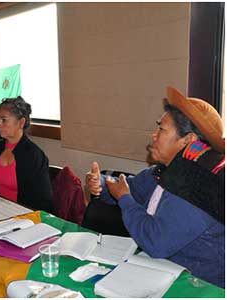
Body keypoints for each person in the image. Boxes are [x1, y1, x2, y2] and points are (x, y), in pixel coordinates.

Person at [85, 86, 224, 288]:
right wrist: (102, 183)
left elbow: (156, 241)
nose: (153, 135)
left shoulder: (201, 186)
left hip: (199, 286)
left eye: (161, 129)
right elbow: (130, 187)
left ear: (188, 140)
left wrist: (125, 200)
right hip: (163, 271)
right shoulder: (165, 171)